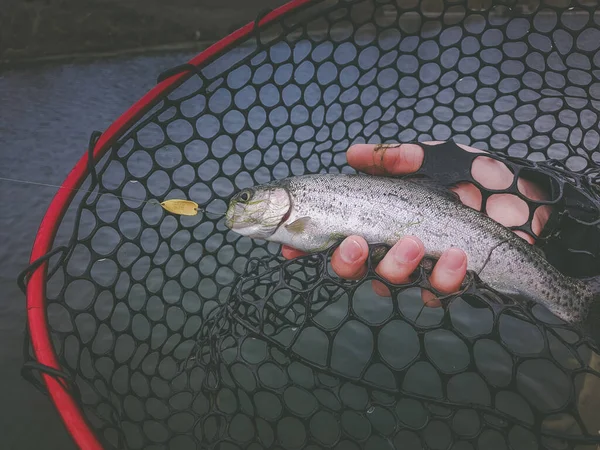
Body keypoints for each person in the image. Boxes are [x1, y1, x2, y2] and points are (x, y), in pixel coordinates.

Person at [282, 140, 551, 304]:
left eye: (246, 198)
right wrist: (543, 206)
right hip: (545, 236)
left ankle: (558, 294)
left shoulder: (299, 198)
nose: (240, 203)